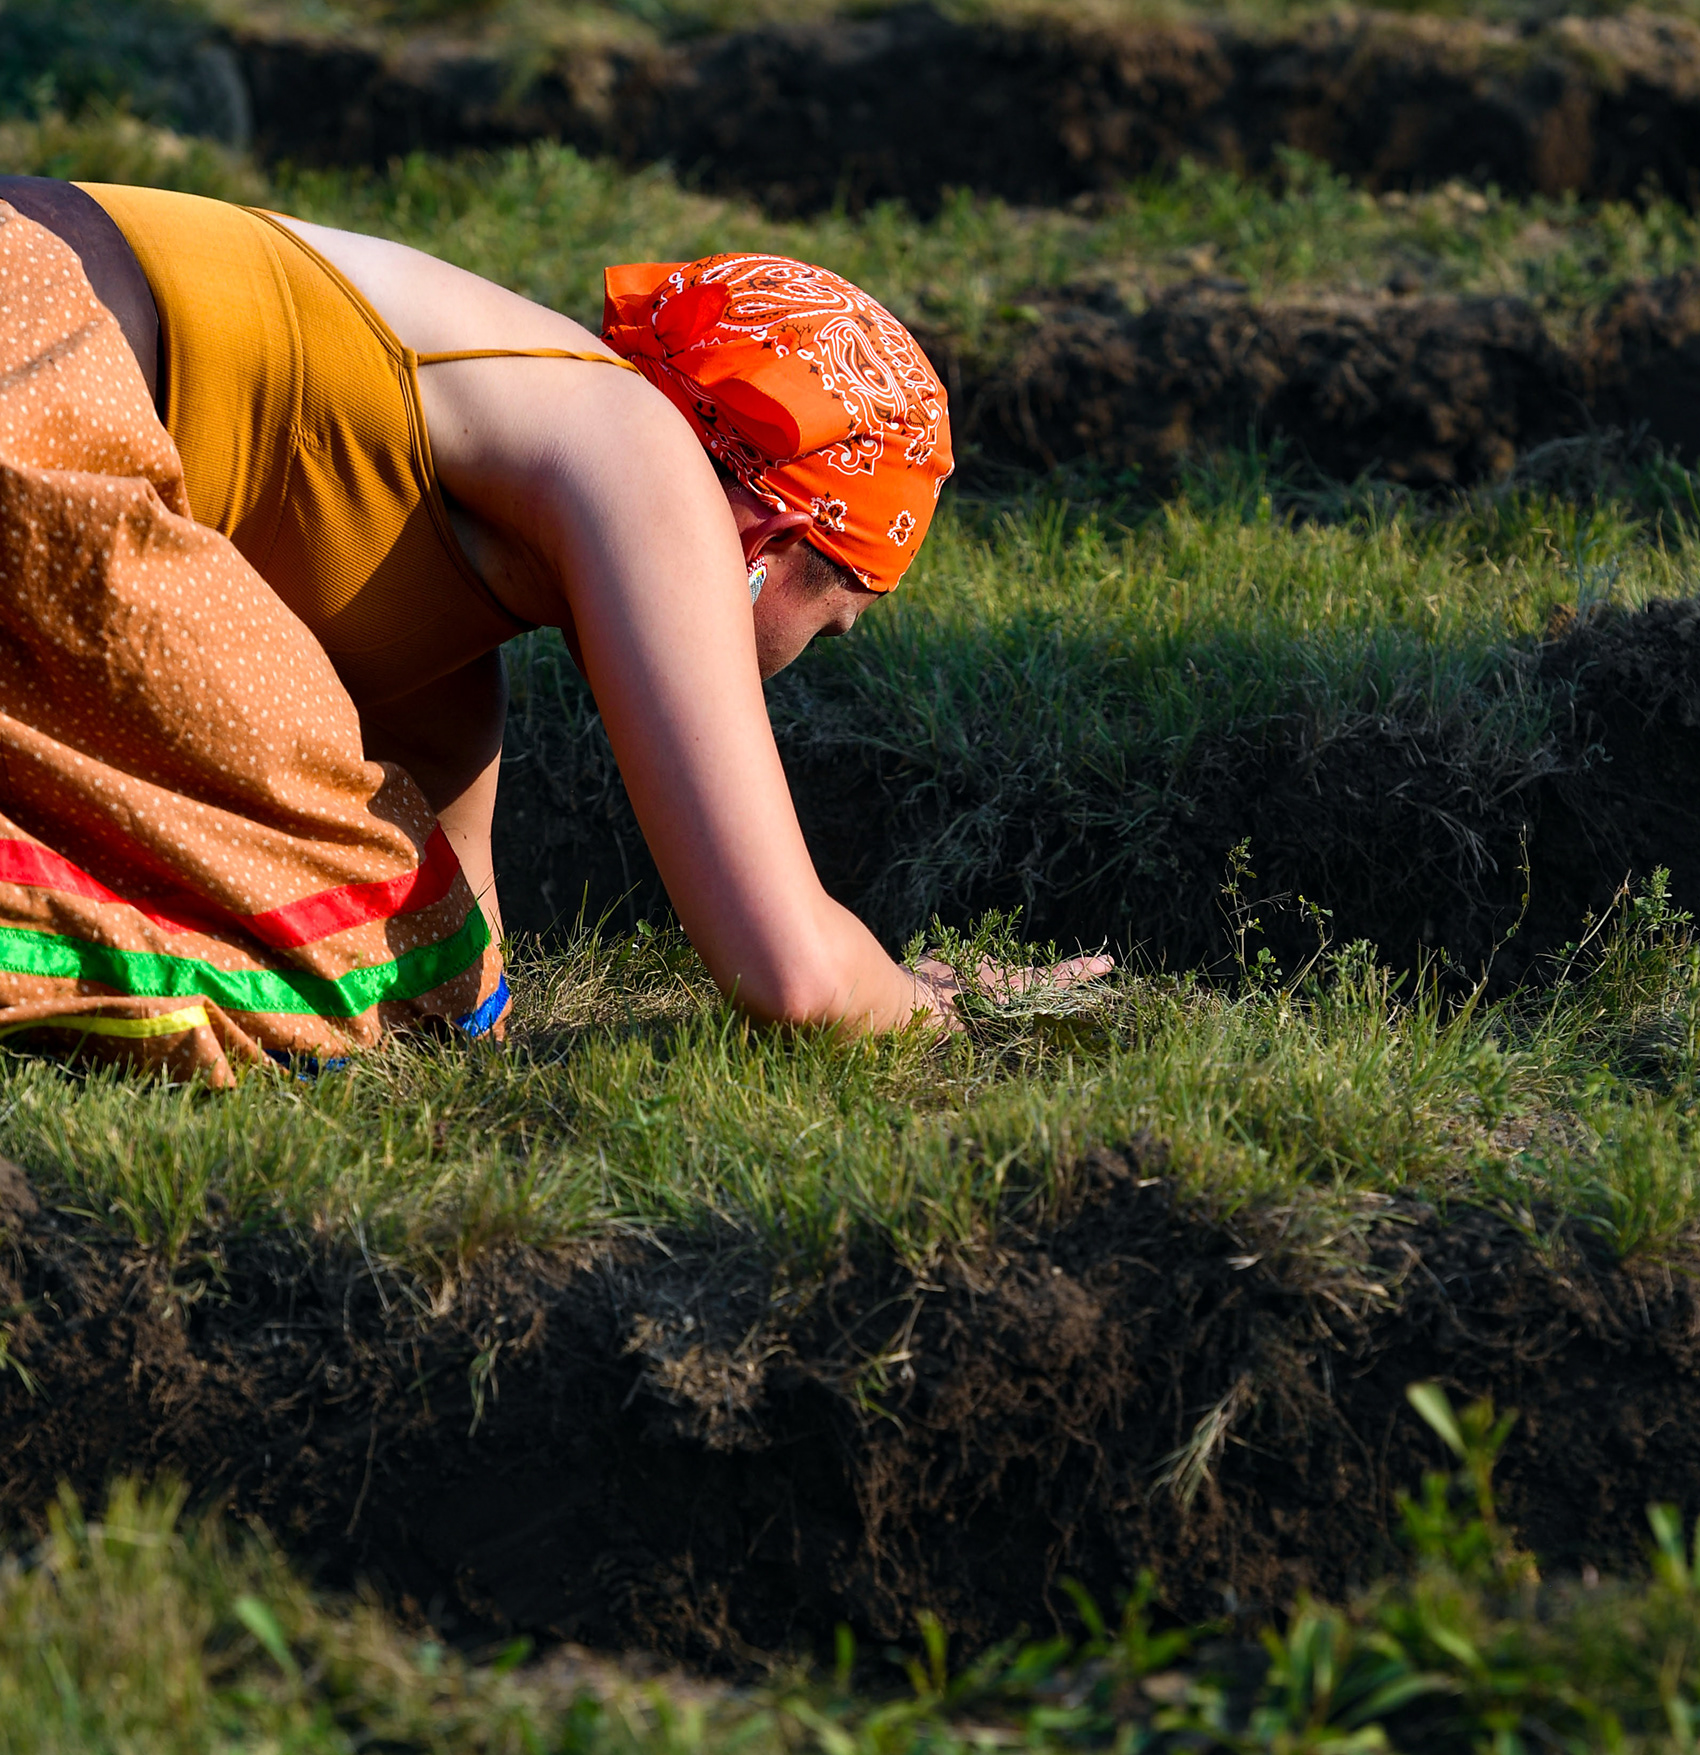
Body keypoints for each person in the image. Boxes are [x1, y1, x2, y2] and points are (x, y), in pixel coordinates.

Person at [0, 180, 1106, 1083]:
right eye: (838, 621)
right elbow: (792, 977)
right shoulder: (646, 457)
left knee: (391, 927)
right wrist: (927, 1013)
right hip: (36, 342)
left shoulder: (447, 643)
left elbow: (453, 985)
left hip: (40, 318)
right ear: (764, 542)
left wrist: (462, 994)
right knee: (325, 939)